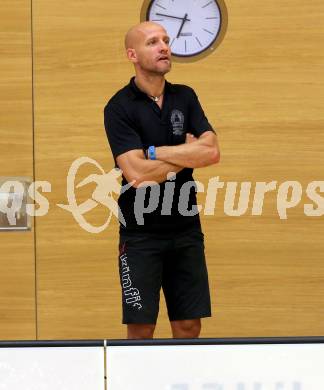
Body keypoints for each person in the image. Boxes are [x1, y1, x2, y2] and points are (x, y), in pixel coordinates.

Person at [104, 21, 220, 339]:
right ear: (132, 54)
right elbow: (137, 176)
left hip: (186, 229)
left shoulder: (185, 97)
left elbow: (211, 153)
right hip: (140, 235)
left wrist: (154, 153)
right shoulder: (118, 107)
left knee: (188, 325)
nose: (164, 47)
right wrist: (186, 152)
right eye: (153, 42)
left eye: (166, 41)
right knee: (142, 328)